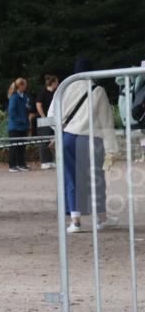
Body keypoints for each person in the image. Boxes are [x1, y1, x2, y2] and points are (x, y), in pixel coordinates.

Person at [52, 59, 119, 233]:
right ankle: (101, 219)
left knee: (70, 178)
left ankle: (75, 221)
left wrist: (61, 131)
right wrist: (112, 148)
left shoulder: (64, 88)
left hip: (68, 138)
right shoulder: (98, 90)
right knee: (96, 180)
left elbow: (52, 116)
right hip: (91, 140)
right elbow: (106, 122)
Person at [6, 78, 31, 172]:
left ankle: (21, 164)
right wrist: (20, 120)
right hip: (15, 127)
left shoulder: (25, 96)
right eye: (25, 85)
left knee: (22, 146)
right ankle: (12, 165)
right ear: (20, 85)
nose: (26, 86)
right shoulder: (14, 97)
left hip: (23, 126)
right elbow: (11, 112)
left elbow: (27, 108)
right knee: (14, 146)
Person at [36, 74, 58, 169]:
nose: (58, 84)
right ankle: (44, 161)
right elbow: (38, 105)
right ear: (53, 83)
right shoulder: (43, 93)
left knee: (52, 141)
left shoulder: (56, 93)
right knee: (44, 141)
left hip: (54, 120)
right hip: (45, 120)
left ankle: (51, 160)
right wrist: (44, 117)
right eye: (57, 82)